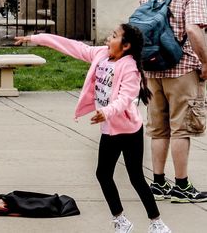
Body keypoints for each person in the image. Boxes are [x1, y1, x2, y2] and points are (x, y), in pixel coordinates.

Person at [14, 25, 171, 233]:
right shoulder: (101, 55)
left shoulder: (130, 67)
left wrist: (106, 111)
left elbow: (126, 99)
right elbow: (71, 46)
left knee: (136, 178)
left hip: (129, 131)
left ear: (126, 46)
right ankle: (121, 220)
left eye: (114, 36)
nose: (108, 37)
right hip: (109, 129)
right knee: (103, 174)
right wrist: (35, 39)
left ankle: (157, 223)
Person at [139, 0, 207, 203]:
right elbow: (193, 29)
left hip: (152, 67)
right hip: (182, 68)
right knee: (182, 128)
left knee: (158, 128)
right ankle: (182, 185)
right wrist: (205, 61)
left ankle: (158, 183)